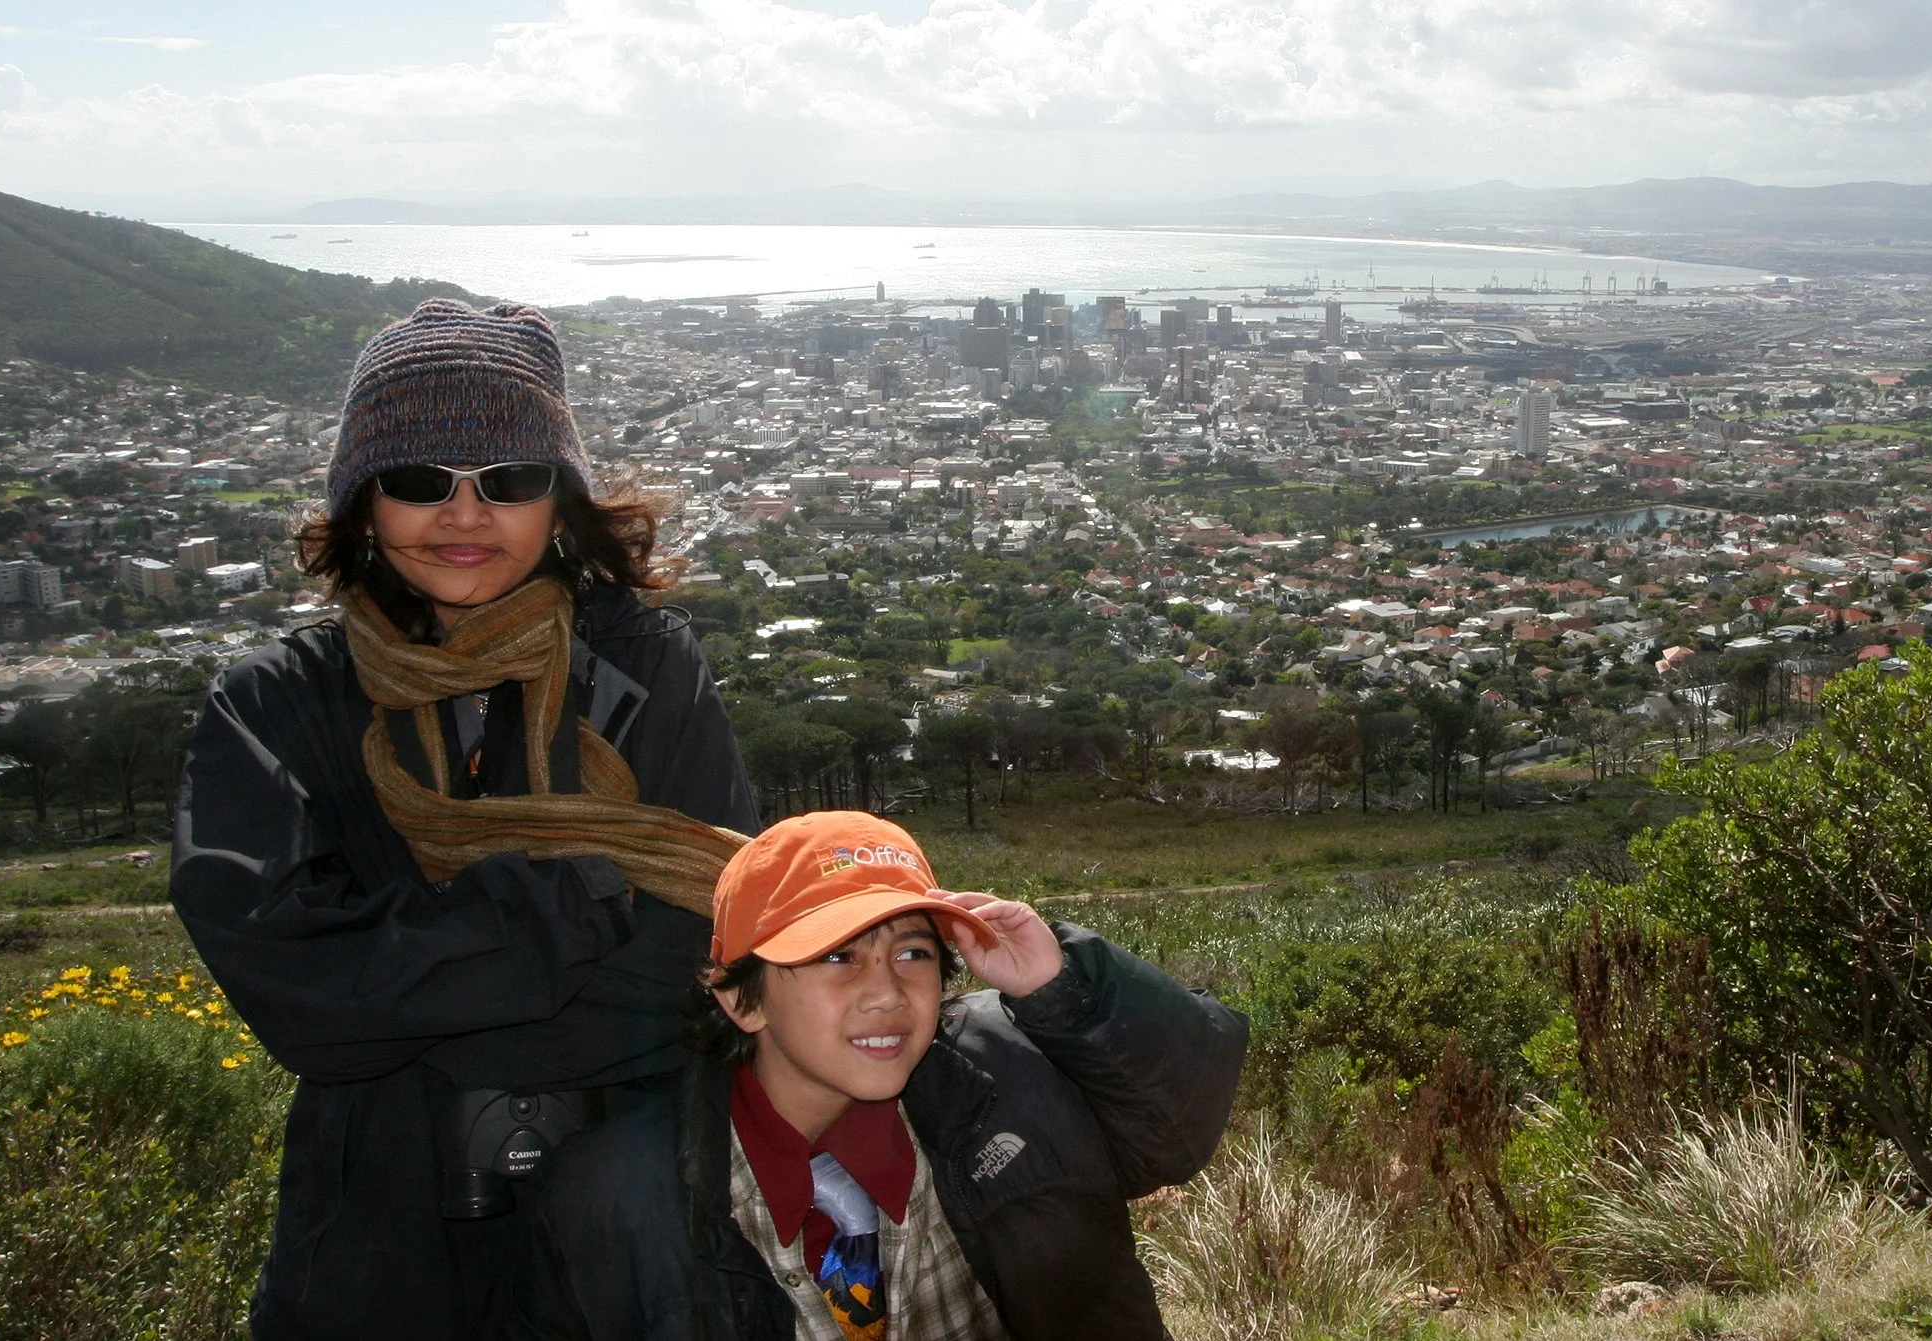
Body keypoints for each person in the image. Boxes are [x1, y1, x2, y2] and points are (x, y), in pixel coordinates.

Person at [169, 298, 759, 1340]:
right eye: (417, 480)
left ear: (560, 499)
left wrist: (416, 1001)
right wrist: (581, 897)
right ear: (361, 501)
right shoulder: (273, 706)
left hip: (633, 1209)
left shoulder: (642, 668)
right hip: (378, 1234)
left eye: (510, 481)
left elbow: (706, 945)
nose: (464, 516)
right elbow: (294, 990)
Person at [498, 810, 1249, 1341]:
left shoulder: (1013, 1076)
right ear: (739, 996)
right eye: (837, 955)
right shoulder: (612, 1199)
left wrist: (1060, 985)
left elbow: (1177, 1131)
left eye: (913, 952)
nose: (887, 990)